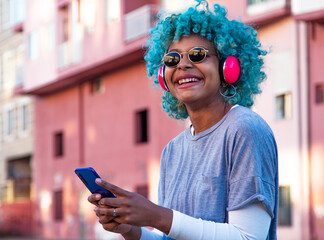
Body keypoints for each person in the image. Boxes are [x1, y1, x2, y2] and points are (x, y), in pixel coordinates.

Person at [88, 0, 278, 239]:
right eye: (172, 59)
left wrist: (157, 215)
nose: (183, 65)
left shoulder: (244, 129)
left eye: (198, 55)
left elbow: (248, 237)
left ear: (228, 67)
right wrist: (130, 230)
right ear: (163, 75)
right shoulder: (172, 151)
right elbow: (172, 235)